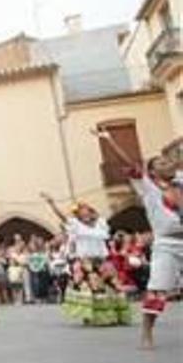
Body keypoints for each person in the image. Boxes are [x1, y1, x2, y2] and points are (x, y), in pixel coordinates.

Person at [96, 130, 182, 348]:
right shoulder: (148, 187)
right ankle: (146, 332)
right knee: (157, 291)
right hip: (167, 244)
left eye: (167, 161)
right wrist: (109, 140)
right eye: (160, 163)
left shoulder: (180, 180)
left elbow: (173, 155)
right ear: (151, 171)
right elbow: (129, 162)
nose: (166, 163)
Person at [41, 192, 131, 327]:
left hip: (102, 260)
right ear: (78, 214)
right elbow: (62, 217)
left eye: (86, 209)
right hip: (86, 261)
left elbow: (104, 231)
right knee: (94, 290)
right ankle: (94, 317)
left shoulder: (100, 223)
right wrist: (52, 203)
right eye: (81, 210)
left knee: (113, 286)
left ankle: (116, 316)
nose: (85, 211)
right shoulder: (75, 225)